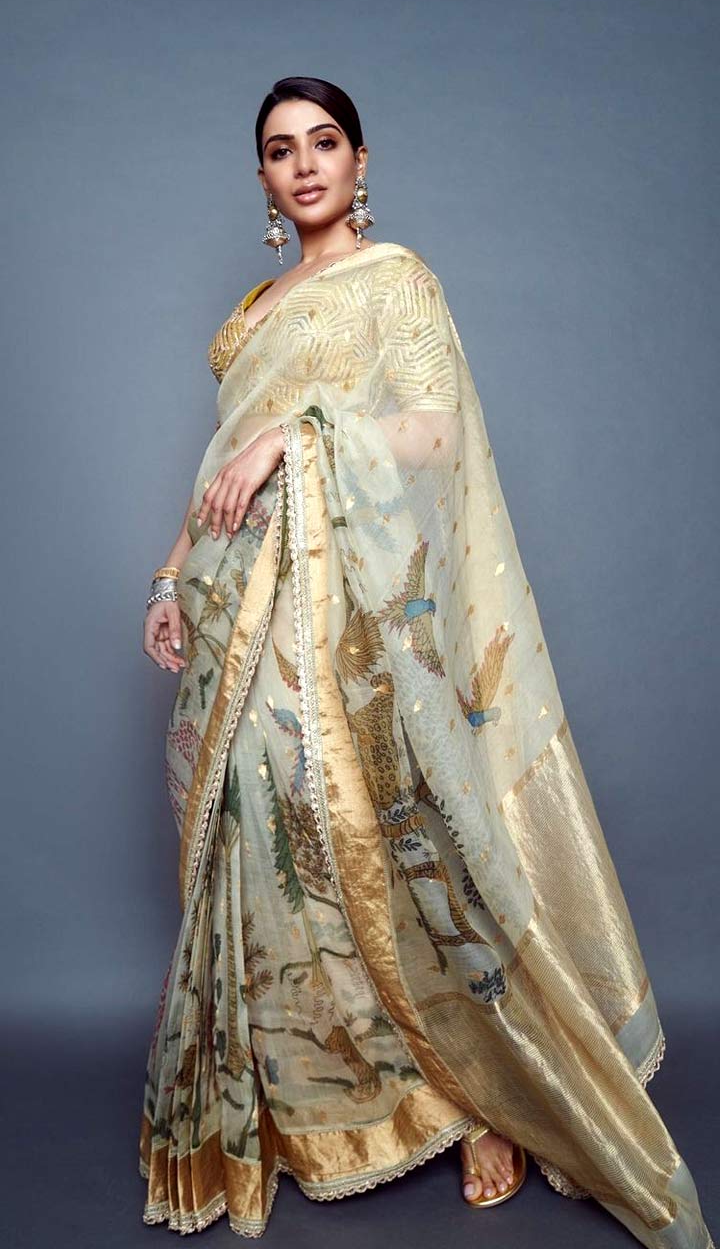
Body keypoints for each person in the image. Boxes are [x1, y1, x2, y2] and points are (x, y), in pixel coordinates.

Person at [137, 76, 714, 1247]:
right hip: (232, 605)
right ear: (262, 177)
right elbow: (220, 465)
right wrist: (167, 575)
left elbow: (435, 431)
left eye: (325, 142)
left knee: (375, 840)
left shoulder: (396, 279)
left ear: (361, 161)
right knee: (262, 837)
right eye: (281, 149)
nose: (305, 164)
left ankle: (473, 1099)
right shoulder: (254, 309)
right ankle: (316, 1108)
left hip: (341, 615)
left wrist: (298, 434)